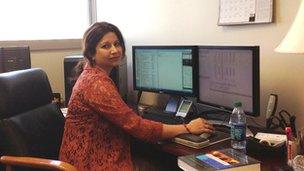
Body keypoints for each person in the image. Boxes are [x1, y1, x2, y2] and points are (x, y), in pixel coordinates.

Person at [59, 21, 214, 171]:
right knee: (169, 165)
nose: (114, 50)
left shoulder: (92, 75)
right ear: (91, 53)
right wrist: (187, 127)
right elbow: (139, 128)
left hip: (89, 156)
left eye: (117, 44)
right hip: (91, 163)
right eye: (106, 46)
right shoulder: (96, 84)